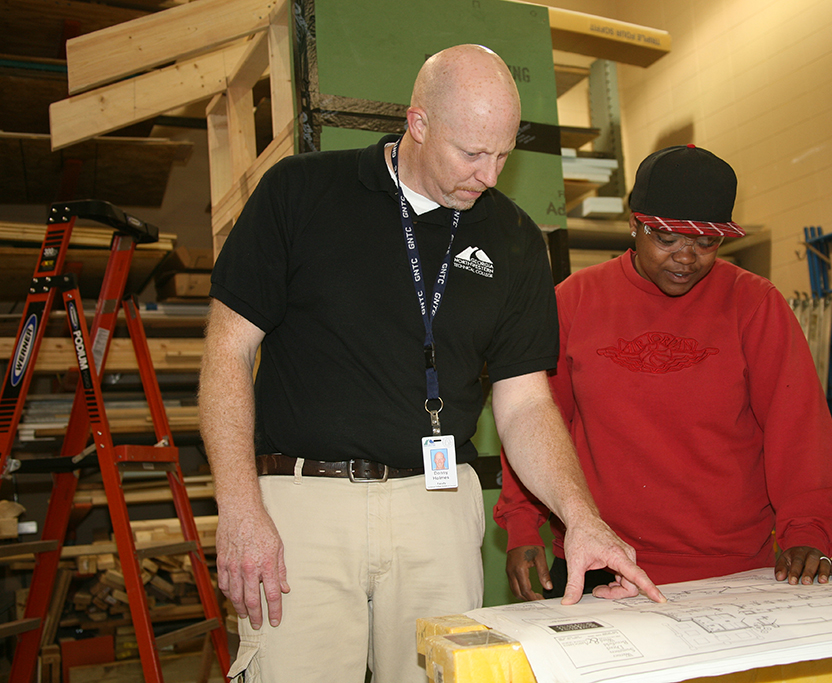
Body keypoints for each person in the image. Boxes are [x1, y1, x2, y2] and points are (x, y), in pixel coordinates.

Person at [198, 44, 663, 683]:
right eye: (472, 154)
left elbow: (525, 402)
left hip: (437, 509)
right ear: (417, 124)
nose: (491, 175)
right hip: (300, 503)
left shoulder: (517, 240)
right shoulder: (302, 192)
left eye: (504, 154)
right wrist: (240, 508)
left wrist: (581, 517)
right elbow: (228, 351)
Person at [494, 144, 832, 601]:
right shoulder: (574, 302)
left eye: (706, 243)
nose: (687, 257)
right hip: (601, 560)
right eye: (667, 239)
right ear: (634, 225)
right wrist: (523, 527)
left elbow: (799, 427)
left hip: (732, 572)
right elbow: (535, 420)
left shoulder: (754, 305)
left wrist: (807, 533)